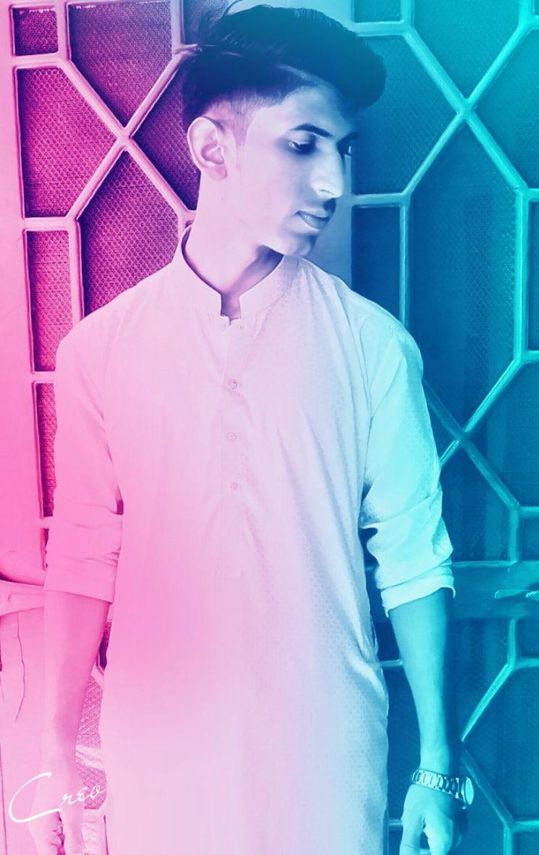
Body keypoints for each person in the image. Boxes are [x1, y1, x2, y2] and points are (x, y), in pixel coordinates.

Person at [29, 4, 470, 854]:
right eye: (303, 144)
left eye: (343, 150)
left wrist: (436, 763)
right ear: (212, 148)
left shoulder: (371, 347)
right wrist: (56, 744)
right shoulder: (101, 351)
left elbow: (416, 556)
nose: (333, 182)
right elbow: (83, 556)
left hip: (324, 751)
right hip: (158, 747)